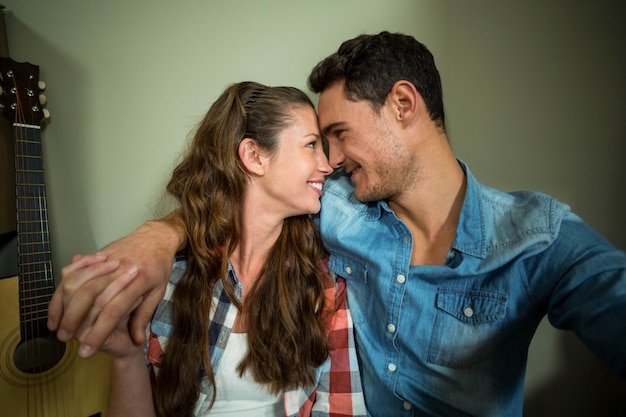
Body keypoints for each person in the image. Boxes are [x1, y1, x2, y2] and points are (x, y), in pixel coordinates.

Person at [49, 32, 626, 416]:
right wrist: (158, 237)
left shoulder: (535, 237)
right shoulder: (336, 203)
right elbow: (239, 203)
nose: (332, 161)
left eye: (339, 135)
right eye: (318, 144)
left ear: (404, 105)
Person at [79, 81, 366, 416]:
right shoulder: (169, 282)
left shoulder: (325, 285)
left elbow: (343, 408)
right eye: (311, 145)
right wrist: (127, 358)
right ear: (254, 156)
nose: (328, 164)